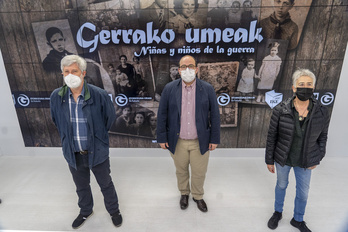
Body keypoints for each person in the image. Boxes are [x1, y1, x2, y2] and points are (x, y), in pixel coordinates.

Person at [50, 55, 122, 229]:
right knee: (81, 186)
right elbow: (56, 121)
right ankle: (85, 211)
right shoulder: (56, 97)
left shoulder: (100, 95)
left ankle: (114, 211)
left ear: (83, 72)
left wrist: (97, 138)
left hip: (97, 151)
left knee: (105, 184)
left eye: (74, 71)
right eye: (66, 71)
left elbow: (109, 119)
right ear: (62, 73)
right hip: (73, 152)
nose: (70, 75)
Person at [265, 69, 329, 232]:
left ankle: (298, 219)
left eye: (309, 84)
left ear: (314, 87)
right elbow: (272, 135)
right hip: (283, 158)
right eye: (301, 84)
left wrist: (317, 157)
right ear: (294, 87)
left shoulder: (321, 111)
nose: (305, 88)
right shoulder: (281, 109)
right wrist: (269, 160)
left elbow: (323, 137)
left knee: (303, 192)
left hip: (306, 160)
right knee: (281, 185)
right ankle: (277, 213)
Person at [157, 55, 220, 213]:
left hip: (201, 140)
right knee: (181, 170)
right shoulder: (170, 88)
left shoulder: (207, 88)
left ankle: (198, 196)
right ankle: (184, 193)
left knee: (199, 172)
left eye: (190, 66)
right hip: (177, 140)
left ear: (196, 69)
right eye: (183, 67)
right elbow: (162, 114)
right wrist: (162, 137)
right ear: (179, 70)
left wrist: (214, 138)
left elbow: (215, 116)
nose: (187, 70)